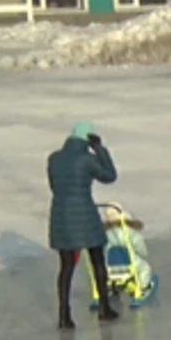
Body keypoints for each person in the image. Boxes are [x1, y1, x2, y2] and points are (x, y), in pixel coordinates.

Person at [48, 122, 119, 329]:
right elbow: (109, 176)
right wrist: (99, 149)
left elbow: (54, 186)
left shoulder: (54, 159)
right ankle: (105, 308)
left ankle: (64, 315)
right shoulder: (87, 159)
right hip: (85, 214)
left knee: (66, 267)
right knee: (97, 260)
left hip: (60, 214)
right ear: (88, 139)